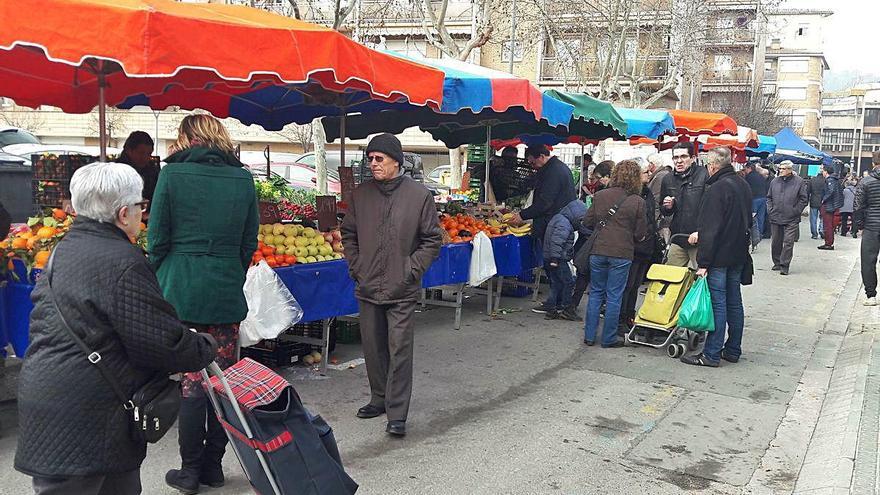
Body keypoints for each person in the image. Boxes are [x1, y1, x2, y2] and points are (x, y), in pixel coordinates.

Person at [15, 162, 216, 495]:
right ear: (124, 214)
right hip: (85, 417)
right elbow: (160, 341)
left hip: (60, 399)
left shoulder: (62, 250)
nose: (142, 213)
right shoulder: (122, 261)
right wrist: (202, 346)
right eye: (141, 206)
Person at [149, 114, 259, 493]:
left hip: (182, 288)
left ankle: (190, 469)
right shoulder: (242, 178)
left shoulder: (172, 175)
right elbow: (249, 241)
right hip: (226, 287)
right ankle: (213, 464)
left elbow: (157, 238)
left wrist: (162, 272)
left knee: (193, 382)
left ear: (187, 138)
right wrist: (229, 268)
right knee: (223, 381)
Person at [341, 133, 441, 438]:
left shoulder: (419, 196)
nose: (372, 164)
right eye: (369, 158)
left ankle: (397, 413)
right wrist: (357, 266)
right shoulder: (361, 196)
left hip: (401, 288)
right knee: (373, 347)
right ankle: (379, 398)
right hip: (368, 285)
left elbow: (432, 239)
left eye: (378, 158)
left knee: (399, 349)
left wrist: (410, 270)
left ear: (395, 161)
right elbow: (348, 235)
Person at [680, 147, 751, 367]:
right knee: (734, 303)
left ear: (711, 166)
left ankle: (711, 353)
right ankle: (733, 349)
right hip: (738, 254)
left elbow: (711, 230)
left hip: (720, 256)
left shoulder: (717, 189)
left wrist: (704, 263)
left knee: (718, 304)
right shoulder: (743, 185)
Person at [583, 160, 647, 348]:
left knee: (595, 293)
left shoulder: (600, 195)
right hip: (622, 253)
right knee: (614, 295)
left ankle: (589, 336)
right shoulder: (638, 202)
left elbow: (587, 222)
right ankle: (609, 338)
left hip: (599, 250)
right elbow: (640, 234)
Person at [507, 145, 577, 314]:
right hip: (557, 223)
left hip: (554, 225)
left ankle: (562, 303)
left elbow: (545, 202)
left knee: (555, 264)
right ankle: (556, 301)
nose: (532, 166)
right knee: (554, 264)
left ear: (541, 157)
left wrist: (522, 216)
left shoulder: (553, 172)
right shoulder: (556, 168)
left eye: (533, 162)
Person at [620, 160, 658, 330]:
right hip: (633, 247)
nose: (649, 175)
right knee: (627, 285)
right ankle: (621, 318)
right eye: (645, 172)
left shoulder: (647, 193)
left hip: (645, 247)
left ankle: (629, 315)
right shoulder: (629, 196)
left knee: (635, 285)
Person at [660, 142, 709, 268]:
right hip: (678, 237)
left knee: (700, 279)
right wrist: (668, 206)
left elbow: (712, 208)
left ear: (692, 158)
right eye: (676, 157)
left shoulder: (704, 175)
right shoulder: (668, 179)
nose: (679, 161)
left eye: (683, 156)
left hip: (698, 237)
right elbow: (664, 210)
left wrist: (701, 231)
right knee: (669, 277)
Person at [542, 197, 587, 321]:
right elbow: (557, 242)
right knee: (569, 282)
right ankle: (566, 308)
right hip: (558, 259)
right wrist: (555, 259)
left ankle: (552, 308)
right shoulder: (564, 224)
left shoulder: (560, 219)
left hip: (551, 257)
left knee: (556, 283)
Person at [767, 160, 808, 275]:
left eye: (783, 169)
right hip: (776, 215)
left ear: (790, 170)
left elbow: (803, 199)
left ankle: (785, 265)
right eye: (780, 168)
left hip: (791, 217)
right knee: (776, 241)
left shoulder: (799, 182)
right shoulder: (775, 181)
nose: (780, 170)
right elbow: (769, 197)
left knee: (788, 242)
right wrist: (770, 209)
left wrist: (796, 210)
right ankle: (777, 262)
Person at [854, 150, 880, 306]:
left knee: (868, 261)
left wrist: (859, 225)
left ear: (873, 163)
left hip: (871, 226)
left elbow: (858, 206)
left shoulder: (865, 182)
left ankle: (871, 295)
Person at [117, 131, 159, 218]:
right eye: (141, 153)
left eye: (149, 154)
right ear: (129, 150)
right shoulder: (117, 171)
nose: (145, 158)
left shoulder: (152, 170)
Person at [743, 161, 769, 245]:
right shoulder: (760, 176)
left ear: (749, 168)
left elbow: (746, 188)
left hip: (754, 199)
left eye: (745, 169)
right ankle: (760, 234)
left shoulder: (749, 177)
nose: (745, 171)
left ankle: (755, 236)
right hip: (763, 198)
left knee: (753, 219)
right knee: (761, 218)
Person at [819, 164, 844, 250]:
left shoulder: (830, 180)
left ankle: (828, 243)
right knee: (830, 225)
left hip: (828, 205)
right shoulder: (836, 180)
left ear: (826, 171)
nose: (822, 172)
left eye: (822, 170)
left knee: (827, 225)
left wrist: (823, 200)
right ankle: (828, 242)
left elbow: (831, 191)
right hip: (834, 205)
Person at [647, 153, 671, 243]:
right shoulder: (661, 174)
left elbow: (656, 198)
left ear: (653, 164)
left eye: (649, 163)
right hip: (664, 218)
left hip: (663, 221)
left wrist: (653, 220)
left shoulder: (660, 176)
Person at [807, 170, 826, 239]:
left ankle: (814, 234)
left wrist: (806, 201)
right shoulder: (825, 181)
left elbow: (808, 191)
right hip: (823, 202)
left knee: (813, 219)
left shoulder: (812, 180)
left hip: (813, 201)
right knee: (823, 217)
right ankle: (821, 229)